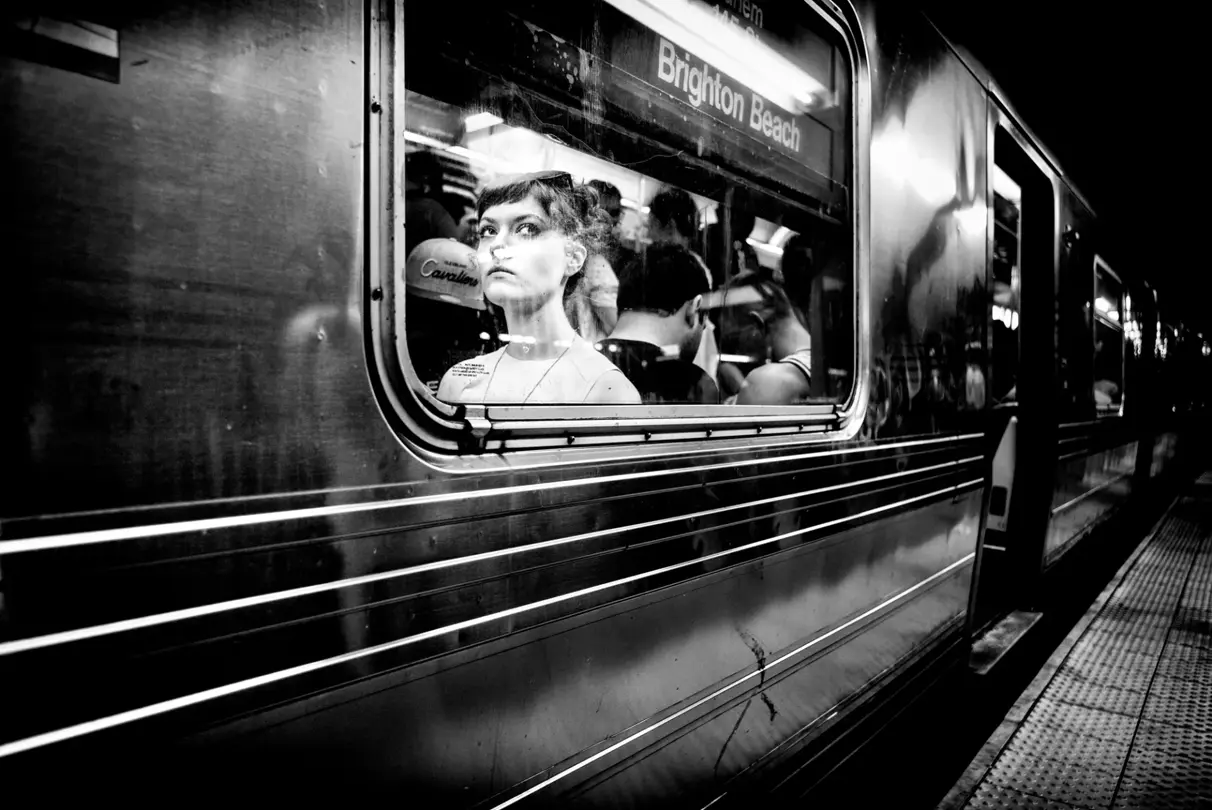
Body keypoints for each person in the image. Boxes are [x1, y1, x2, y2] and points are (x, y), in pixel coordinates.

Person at [437, 171, 641, 405]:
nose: (497, 245)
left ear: (572, 258)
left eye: (527, 229)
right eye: (488, 231)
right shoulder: (459, 381)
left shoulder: (606, 392)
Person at [598, 244, 720, 404]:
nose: (702, 332)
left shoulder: (577, 366)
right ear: (693, 309)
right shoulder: (694, 386)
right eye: (703, 324)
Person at [647, 186, 720, 383]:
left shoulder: (668, 265)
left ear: (668, 225)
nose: (647, 229)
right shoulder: (697, 264)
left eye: (651, 222)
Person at [734, 279, 815, 406]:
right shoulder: (823, 365)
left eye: (736, 335)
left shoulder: (767, 381)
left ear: (757, 324)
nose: (739, 349)